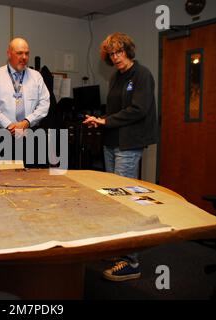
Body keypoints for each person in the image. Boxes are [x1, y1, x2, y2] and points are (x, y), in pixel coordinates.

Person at [83, 32, 157, 281]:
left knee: (124, 200)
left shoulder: (142, 74)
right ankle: (119, 250)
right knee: (113, 199)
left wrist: (106, 120)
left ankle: (132, 260)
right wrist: (99, 122)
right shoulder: (115, 77)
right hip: (112, 142)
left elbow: (138, 109)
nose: (116, 57)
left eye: (120, 51)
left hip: (130, 143)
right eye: (112, 54)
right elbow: (112, 111)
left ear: (128, 50)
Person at [0, 37, 50, 163]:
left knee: (34, 178)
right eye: (19, 53)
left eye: (27, 53)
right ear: (9, 54)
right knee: (2, 178)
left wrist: (26, 122)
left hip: (31, 134)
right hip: (2, 136)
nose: (24, 57)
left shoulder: (36, 77)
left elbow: (45, 103)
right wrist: (10, 126)